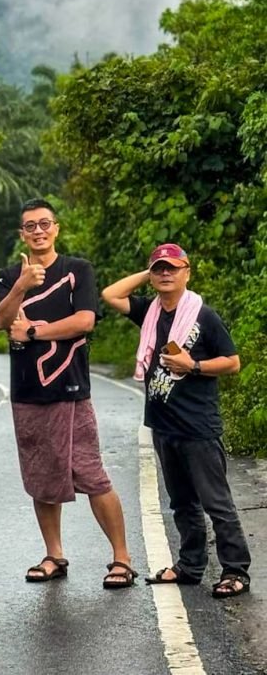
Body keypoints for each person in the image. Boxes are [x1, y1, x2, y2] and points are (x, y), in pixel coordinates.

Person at [0, 199, 136, 589]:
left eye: (44, 224)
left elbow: (84, 321)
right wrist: (22, 286)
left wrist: (35, 331)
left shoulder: (77, 271)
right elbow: (1, 322)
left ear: (56, 228)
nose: (38, 231)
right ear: (22, 234)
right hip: (27, 391)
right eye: (30, 226)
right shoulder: (8, 276)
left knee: (89, 471)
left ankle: (121, 558)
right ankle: (54, 554)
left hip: (70, 390)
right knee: (42, 475)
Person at [101, 242, 251, 598]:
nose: (166, 273)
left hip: (198, 426)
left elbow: (232, 362)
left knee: (216, 502)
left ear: (188, 272)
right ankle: (190, 565)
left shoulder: (204, 316)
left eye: (173, 268)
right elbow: (110, 294)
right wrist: (148, 274)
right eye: (159, 269)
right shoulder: (149, 311)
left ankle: (235, 572)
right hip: (163, 424)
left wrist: (193, 366)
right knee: (181, 502)